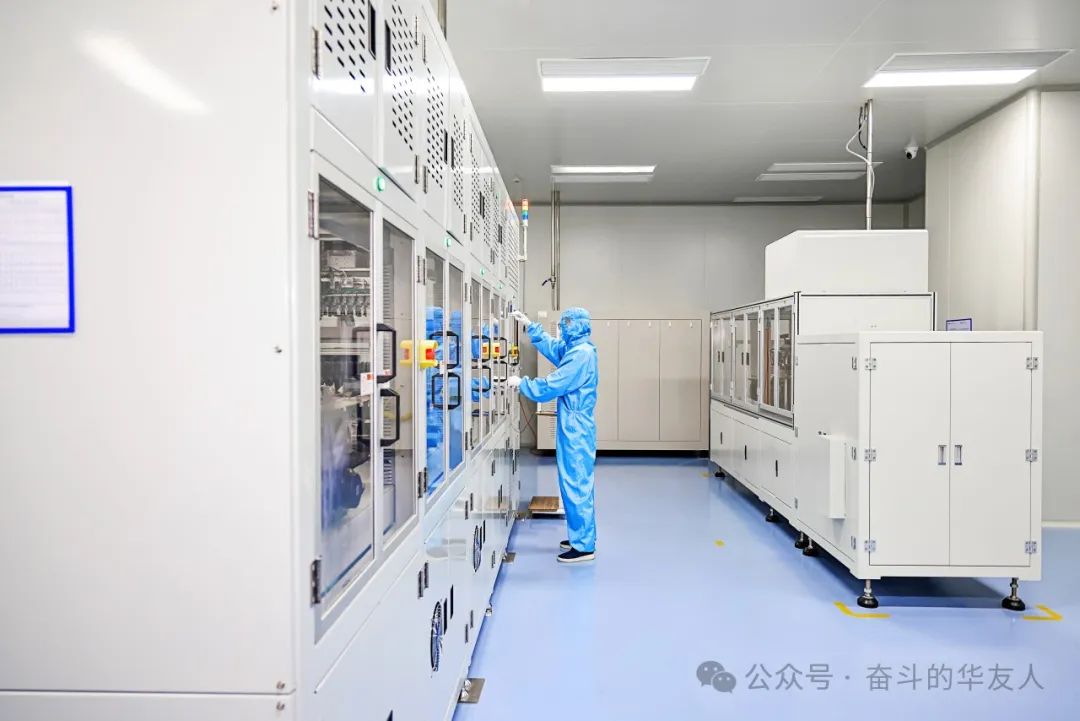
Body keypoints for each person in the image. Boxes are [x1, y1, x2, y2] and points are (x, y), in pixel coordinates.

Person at [509, 307, 598, 563]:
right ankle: (581, 536)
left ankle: (584, 547)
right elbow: (555, 349)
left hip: (576, 428)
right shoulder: (576, 349)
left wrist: (523, 384)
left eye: (565, 324)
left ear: (575, 325)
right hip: (574, 424)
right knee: (574, 483)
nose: (561, 328)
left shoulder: (581, 355)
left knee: (576, 484)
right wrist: (531, 327)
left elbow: (554, 384)